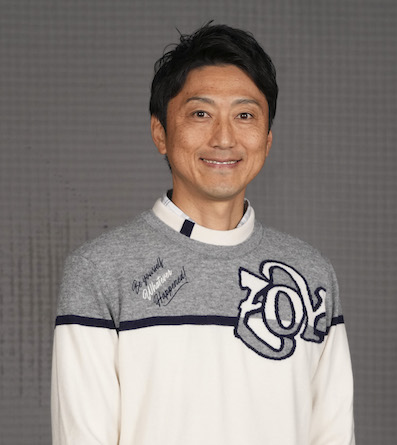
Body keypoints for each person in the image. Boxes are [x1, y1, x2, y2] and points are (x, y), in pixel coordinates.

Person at [51, 23, 355, 444]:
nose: (224, 138)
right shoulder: (100, 271)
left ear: (267, 140)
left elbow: (333, 433)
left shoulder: (310, 275)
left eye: (245, 115)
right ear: (160, 132)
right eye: (200, 114)